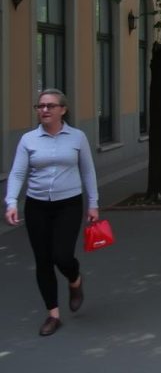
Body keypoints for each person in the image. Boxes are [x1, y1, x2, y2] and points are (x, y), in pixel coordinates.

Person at [5, 89, 98, 336]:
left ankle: (75, 280)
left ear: (63, 110)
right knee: (43, 260)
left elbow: (88, 171)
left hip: (69, 204)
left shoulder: (77, 137)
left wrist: (94, 203)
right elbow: (17, 173)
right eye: (40, 106)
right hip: (37, 206)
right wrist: (11, 201)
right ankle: (53, 314)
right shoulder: (28, 140)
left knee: (62, 255)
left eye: (50, 106)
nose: (44, 110)